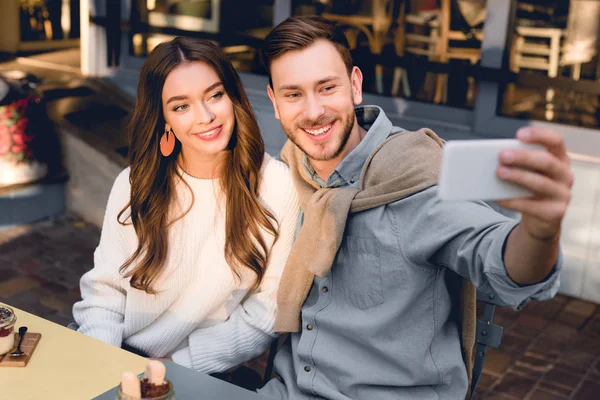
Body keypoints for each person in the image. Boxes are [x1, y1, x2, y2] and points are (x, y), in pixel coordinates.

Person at [257, 16, 573, 399]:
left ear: (355, 85)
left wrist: (541, 230)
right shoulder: (289, 174)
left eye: (327, 88)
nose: (312, 111)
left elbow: (499, 257)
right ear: (274, 103)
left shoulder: (413, 177)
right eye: (293, 95)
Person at [72, 37, 299, 374]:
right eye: (181, 106)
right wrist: (108, 368)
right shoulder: (136, 183)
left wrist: (177, 366)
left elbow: (268, 311)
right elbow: (104, 293)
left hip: (200, 369)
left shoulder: (277, 185)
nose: (206, 116)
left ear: (233, 97)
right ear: (163, 118)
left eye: (214, 95)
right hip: (117, 355)